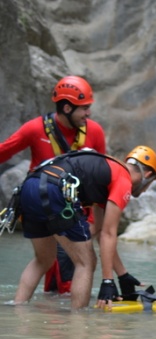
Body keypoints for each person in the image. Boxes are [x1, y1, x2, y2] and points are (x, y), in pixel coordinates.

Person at [13, 146, 156, 309]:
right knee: (86, 262)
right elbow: (109, 234)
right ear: (148, 175)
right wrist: (107, 281)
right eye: (149, 184)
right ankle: (79, 323)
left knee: (44, 259)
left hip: (29, 187)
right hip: (54, 189)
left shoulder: (106, 170)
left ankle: (17, 309)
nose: (145, 190)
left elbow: (98, 229)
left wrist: (122, 275)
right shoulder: (123, 179)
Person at [0, 75, 107, 294]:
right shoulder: (35, 129)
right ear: (67, 107)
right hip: (43, 205)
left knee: (58, 268)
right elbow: (4, 151)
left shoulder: (94, 132)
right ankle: (64, 321)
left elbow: (101, 177)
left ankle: (44, 315)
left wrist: (95, 221)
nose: (89, 113)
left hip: (76, 210)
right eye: (84, 108)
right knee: (65, 269)